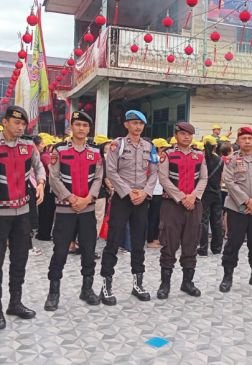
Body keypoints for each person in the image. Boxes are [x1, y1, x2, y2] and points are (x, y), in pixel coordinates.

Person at [44, 111, 102, 310]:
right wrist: (70, 198)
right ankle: (53, 293)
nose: (81, 128)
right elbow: (54, 178)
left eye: (85, 125)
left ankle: (87, 289)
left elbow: (98, 178)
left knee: (88, 251)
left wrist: (87, 199)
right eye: (77, 124)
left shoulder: (95, 151)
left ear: (89, 129)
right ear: (71, 127)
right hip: (65, 211)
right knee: (60, 252)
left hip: (87, 209)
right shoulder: (59, 150)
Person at [99, 110, 158, 305]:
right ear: (126, 125)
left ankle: (138, 284)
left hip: (141, 199)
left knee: (139, 242)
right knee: (113, 241)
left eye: (140, 124)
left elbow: (154, 173)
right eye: (134, 123)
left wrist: (145, 192)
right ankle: (106, 285)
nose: (138, 127)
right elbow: (111, 171)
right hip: (122, 199)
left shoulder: (149, 147)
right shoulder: (117, 145)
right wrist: (127, 192)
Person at [0, 106, 46, 329]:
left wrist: (41, 183)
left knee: (20, 260)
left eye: (23, 124)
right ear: (5, 122)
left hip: (23, 213)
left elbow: (39, 167)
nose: (20, 127)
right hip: (1, 214)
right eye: (16, 123)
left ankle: (15, 303)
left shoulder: (28, 146)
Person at [156, 122, 207, 300]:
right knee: (169, 244)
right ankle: (165, 284)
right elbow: (163, 178)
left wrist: (193, 196)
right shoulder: (167, 155)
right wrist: (181, 197)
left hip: (194, 205)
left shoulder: (199, 155)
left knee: (191, 243)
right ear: (176, 135)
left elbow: (203, 178)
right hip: (172, 205)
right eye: (183, 134)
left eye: (189, 134)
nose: (186, 137)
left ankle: (188, 282)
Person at [219, 127, 252, 293]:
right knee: (233, 243)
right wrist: (246, 201)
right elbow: (229, 182)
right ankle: (227, 276)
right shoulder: (231, 160)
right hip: (237, 209)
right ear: (238, 141)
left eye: (250, 138)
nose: (247, 141)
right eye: (244, 138)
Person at [198, 135, 224, 256]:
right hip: (216, 192)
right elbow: (222, 177)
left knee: (203, 221)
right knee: (217, 221)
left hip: (204, 193)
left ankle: (203, 248)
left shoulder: (200, 159)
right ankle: (217, 247)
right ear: (215, 146)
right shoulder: (220, 160)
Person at [147, 139, 169, 249]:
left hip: (159, 190)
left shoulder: (158, 158)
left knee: (157, 216)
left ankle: (155, 237)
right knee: (153, 216)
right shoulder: (155, 159)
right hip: (154, 191)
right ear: (159, 148)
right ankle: (150, 239)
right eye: (164, 148)